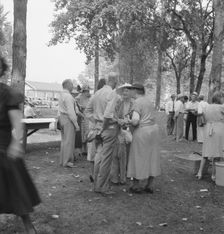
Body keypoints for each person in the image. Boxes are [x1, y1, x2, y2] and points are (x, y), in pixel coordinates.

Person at [0, 56, 40, 234]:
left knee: (16, 189)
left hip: (4, 148)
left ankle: (29, 227)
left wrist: (16, 144)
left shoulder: (8, 94)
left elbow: (18, 123)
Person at [85, 73, 118, 195]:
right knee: (106, 159)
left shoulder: (97, 93)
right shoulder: (112, 93)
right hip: (108, 129)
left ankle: (97, 185)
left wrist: (96, 122)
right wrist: (103, 126)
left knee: (99, 156)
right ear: (115, 81)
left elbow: (87, 111)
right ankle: (103, 187)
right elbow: (108, 115)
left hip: (98, 128)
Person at [127, 83, 161, 194]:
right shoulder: (149, 101)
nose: (129, 92)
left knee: (139, 155)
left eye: (131, 89)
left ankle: (136, 184)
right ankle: (150, 184)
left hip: (143, 131)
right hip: (153, 130)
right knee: (152, 156)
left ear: (135, 91)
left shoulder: (137, 102)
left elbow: (136, 121)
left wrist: (128, 121)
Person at [196, 91, 224, 181]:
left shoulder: (207, 107)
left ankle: (200, 173)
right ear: (219, 98)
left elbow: (203, 119)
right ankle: (213, 175)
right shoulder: (222, 107)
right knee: (217, 152)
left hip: (208, 129)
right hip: (219, 129)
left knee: (205, 151)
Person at [110, 84, 134, 185]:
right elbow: (113, 115)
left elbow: (137, 117)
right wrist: (119, 120)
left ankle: (128, 173)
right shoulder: (119, 102)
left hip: (131, 130)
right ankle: (119, 175)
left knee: (129, 152)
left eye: (127, 91)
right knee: (119, 152)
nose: (125, 93)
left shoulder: (134, 104)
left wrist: (129, 121)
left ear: (131, 93)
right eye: (123, 91)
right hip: (119, 130)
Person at [58, 79, 80, 167]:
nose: (73, 87)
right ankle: (67, 161)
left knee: (64, 140)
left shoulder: (61, 95)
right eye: (72, 85)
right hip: (68, 119)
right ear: (68, 85)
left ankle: (62, 160)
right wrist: (76, 124)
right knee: (69, 141)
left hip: (62, 118)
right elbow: (71, 112)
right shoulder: (68, 97)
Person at [75, 84, 91, 155]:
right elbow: (77, 108)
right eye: (87, 91)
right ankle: (80, 150)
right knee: (81, 133)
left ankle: (86, 150)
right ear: (83, 91)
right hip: (81, 117)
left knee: (87, 132)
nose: (88, 92)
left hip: (88, 118)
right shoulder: (78, 98)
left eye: (88, 91)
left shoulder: (89, 98)